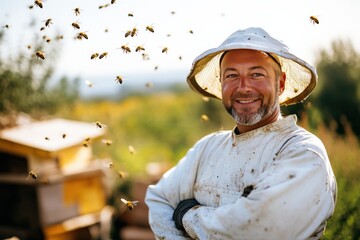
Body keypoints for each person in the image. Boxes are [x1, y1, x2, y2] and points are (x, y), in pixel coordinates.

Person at [145, 27, 337, 240]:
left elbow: (257, 229)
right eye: (232, 75)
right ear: (221, 84)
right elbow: (158, 198)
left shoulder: (302, 152)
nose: (244, 87)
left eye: (256, 74)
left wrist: (187, 215)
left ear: (280, 83)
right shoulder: (207, 148)